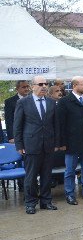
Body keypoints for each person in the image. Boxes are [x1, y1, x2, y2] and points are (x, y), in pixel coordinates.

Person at [13, 76, 59, 214]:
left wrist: (56, 143)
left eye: (46, 84)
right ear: (33, 86)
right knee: (31, 176)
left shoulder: (51, 102)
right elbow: (17, 126)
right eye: (40, 84)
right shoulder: (23, 102)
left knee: (46, 175)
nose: (44, 86)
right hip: (31, 144)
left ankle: (46, 201)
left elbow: (56, 124)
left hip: (48, 145)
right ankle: (31, 203)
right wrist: (19, 145)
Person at [57, 76, 83, 204]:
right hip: (72, 142)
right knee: (70, 170)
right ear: (75, 85)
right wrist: (62, 143)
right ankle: (69, 194)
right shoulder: (65, 101)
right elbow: (61, 124)